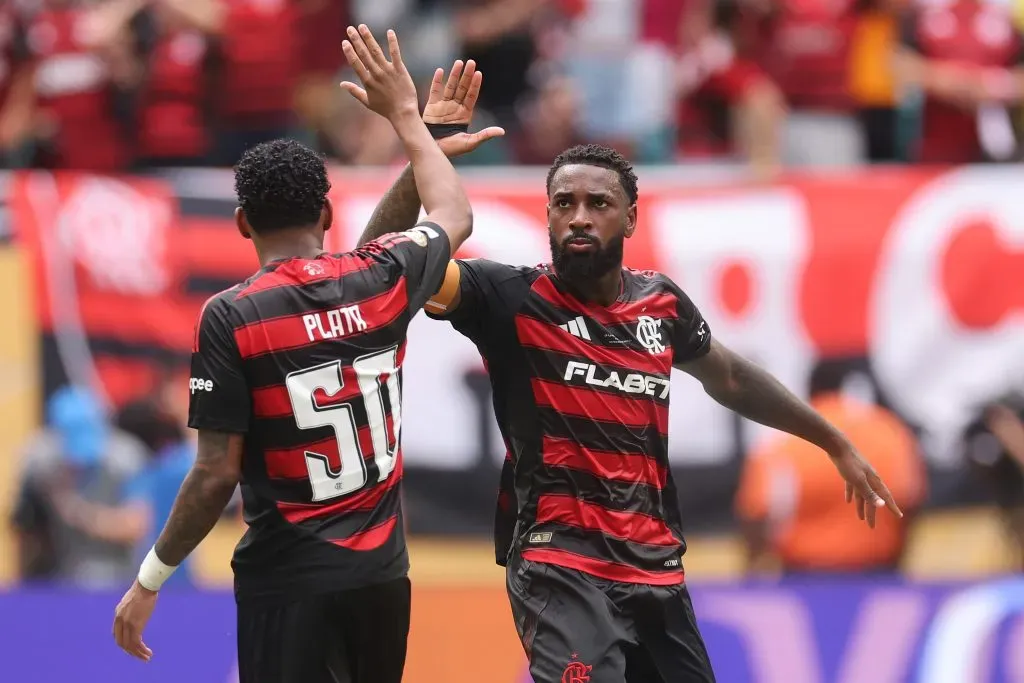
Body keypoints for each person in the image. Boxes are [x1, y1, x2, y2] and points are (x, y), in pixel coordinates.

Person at [356, 141, 903, 680]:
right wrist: (416, 157)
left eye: (598, 204)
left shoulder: (660, 304)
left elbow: (732, 376)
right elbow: (378, 268)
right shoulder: (508, 296)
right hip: (560, 565)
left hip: (655, 569)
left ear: (631, 219)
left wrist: (832, 440)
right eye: (564, 203)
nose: (578, 218)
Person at [111, 25, 502, 683]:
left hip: (288, 582)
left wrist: (149, 577)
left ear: (242, 222)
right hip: (383, 581)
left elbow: (214, 474)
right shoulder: (380, 278)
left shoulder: (234, 314)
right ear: (326, 210)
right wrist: (415, 135)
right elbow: (449, 213)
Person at [735, 364, 925, 575]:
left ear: (809, 391)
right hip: (878, 573)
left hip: (803, 577)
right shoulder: (888, 430)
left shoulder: (783, 438)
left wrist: (753, 569)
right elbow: (909, 498)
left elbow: (756, 510)